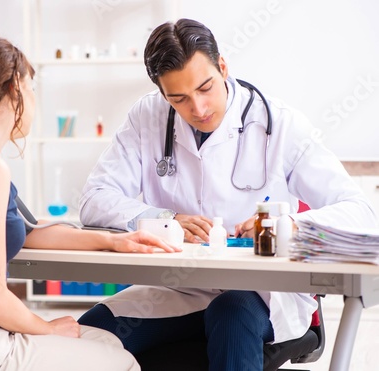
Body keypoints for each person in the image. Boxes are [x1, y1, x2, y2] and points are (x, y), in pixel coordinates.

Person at [77, 18, 378, 370]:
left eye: (206, 88)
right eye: (179, 99)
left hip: (263, 293)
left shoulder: (279, 124)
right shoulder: (148, 117)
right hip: (179, 286)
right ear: (162, 94)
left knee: (231, 315)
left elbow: (361, 211)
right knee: (87, 336)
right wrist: (164, 220)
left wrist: (289, 225)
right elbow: (94, 199)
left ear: (222, 67)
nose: (198, 109)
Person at [0, 31, 182, 371]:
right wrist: (48, 328)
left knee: (105, 341)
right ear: (15, 88)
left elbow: (28, 231)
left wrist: (113, 240)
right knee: (123, 363)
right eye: (32, 88)